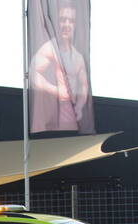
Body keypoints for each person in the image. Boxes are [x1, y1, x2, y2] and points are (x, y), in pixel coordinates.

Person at [29, 0, 93, 134]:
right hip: (54, 116)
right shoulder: (49, 49)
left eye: (71, 21)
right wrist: (55, 90)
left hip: (72, 116)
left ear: (74, 25)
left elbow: (84, 85)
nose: (67, 24)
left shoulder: (78, 57)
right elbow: (33, 74)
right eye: (63, 20)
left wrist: (79, 106)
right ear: (58, 23)